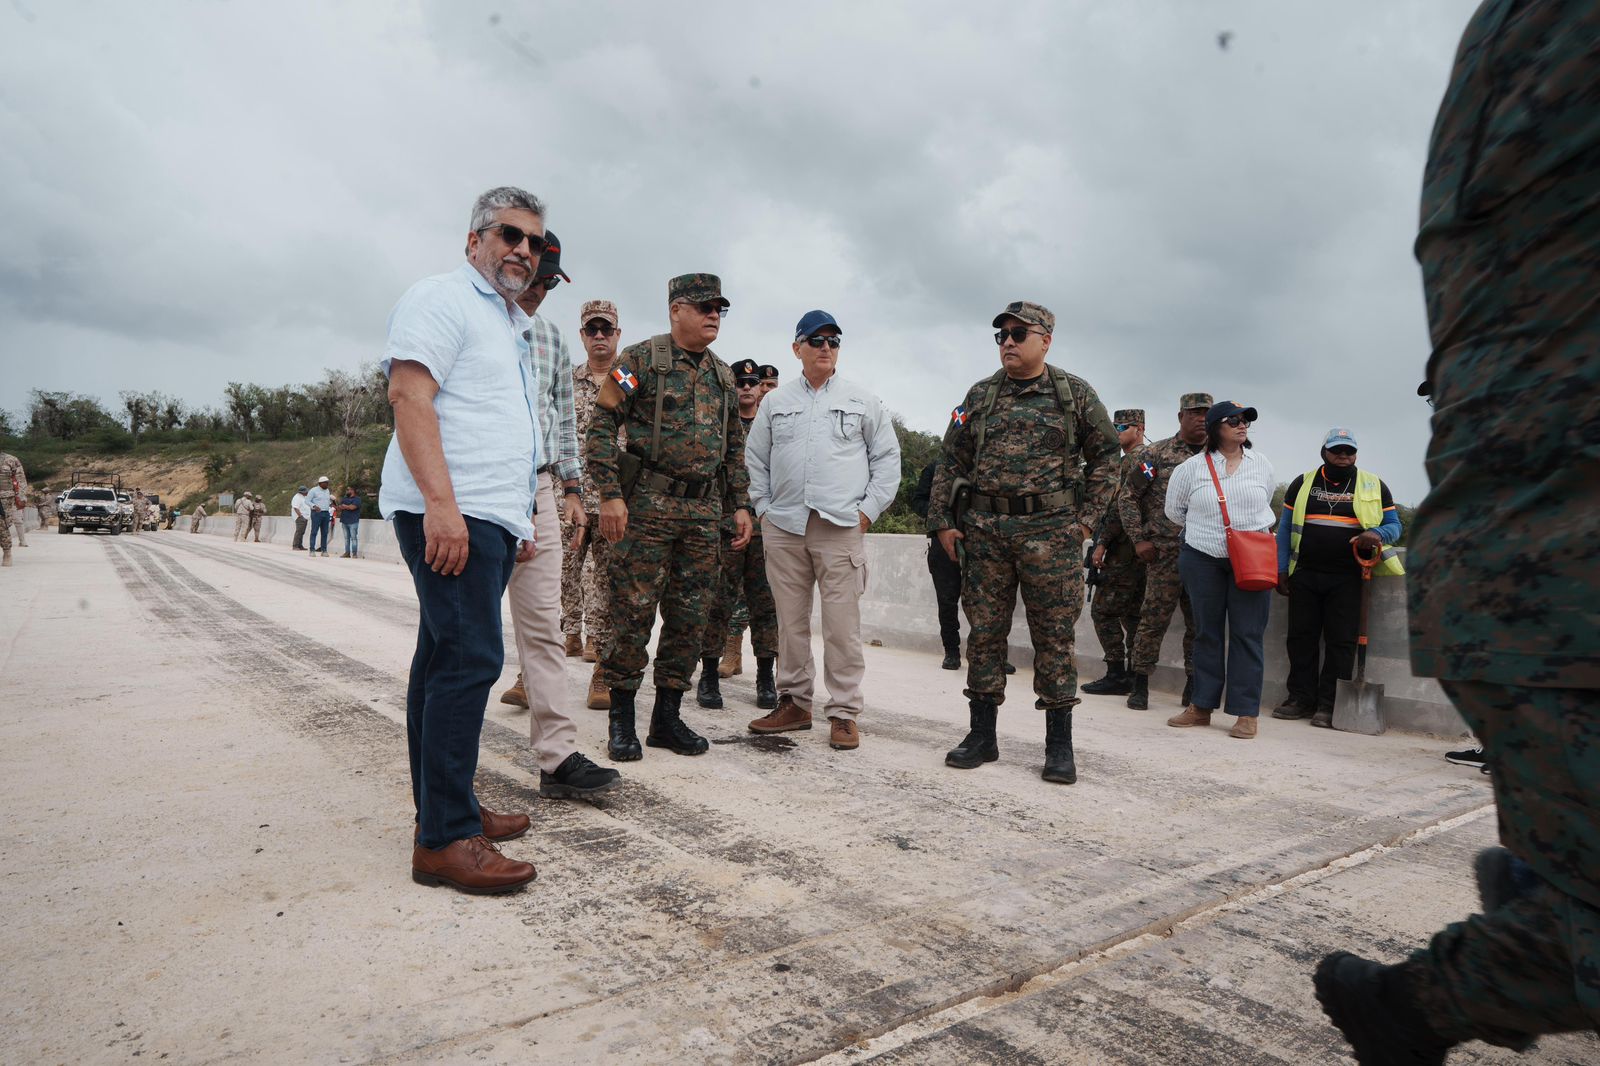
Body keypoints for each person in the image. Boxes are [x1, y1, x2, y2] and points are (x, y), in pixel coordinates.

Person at [1314, 4, 1600, 1058]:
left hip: (1509, 568)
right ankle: (1510, 925)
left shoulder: (1504, 36)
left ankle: (1524, 909)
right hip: (1553, 573)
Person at [377, 184, 547, 895]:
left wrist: (521, 520)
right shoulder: (442, 298)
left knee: (443, 656)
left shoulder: (507, 323)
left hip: (488, 514)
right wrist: (442, 508)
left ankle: (445, 809)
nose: (522, 251)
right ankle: (445, 840)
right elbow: (409, 397)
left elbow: (502, 428)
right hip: (452, 513)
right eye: (509, 235)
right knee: (470, 658)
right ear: (474, 240)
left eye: (534, 242)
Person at [926, 301, 1117, 782]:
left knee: (1054, 637)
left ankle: (1058, 746)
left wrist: (1086, 522)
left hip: (1050, 535)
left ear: (1045, 339)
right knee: (984, 632)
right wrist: (944, 523)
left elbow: (1108, 459)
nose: (1007, 342)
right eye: (1001, 335)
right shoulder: (981, 394)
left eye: (1018, 333)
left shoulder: (1073, 394)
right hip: (986, 534)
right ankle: (982, 736)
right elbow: (951, 460)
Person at [586, 273, 752, 761]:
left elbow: (733, 451)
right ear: (675, 309)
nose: (713, 315)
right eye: (703, 307)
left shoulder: (723, 375)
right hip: (647, 509)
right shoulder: (639, 361)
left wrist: (739, 504)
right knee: (632, 613)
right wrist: (610, 494)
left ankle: (667, 719)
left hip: (703, 513)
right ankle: (621, 721)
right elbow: (602, 425)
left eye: (719, 308)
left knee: (690, 618)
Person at [496, 232, 619, 800]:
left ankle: (558, 755)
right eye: (536, 279)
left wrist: (570, 488)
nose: (540, 291)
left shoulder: (549, 340)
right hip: (484, 489)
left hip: (551, 489)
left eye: (549, 283)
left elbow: (563, 427)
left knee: (553, 622)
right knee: (468, 635)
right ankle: (446, 766)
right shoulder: (469, 322)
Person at [744, 311, 899, 750]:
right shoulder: (775, 403)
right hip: (785, 527)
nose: (825, 347)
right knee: (789, 623)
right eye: (816, 340)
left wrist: (866, 513)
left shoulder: (863, 400)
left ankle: (845, 712)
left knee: (841, 626)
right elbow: (756, 459)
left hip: (840, 527)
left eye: (833, 340)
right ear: (798, 348)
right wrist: (763, 510)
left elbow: (887, 462)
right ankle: (793, 702)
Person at [1271, 428, 1404, 728]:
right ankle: (1300, 699)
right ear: (1324, 453)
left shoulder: (1373, 484)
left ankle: (1329, 705)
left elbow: (1395, 526)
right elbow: (1284, 530)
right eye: (1337, 451)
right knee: (1300, 639)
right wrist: (1280, 570)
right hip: (1304, 573)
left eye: (1349, 451)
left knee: (1341, 642)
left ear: (1356, 454)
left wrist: (1377, 533)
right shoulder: (1303, 483)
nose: (1343, 457)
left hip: (1349, 577)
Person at [1164, 401, 1275, 739]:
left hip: (1252, 558)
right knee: (1206, 632)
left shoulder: (1262, 465)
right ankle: (1201, 706)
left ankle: (1246, 713)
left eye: (1246, 421)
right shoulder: (1190, 468)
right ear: (1214, 428)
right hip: (1202, 557)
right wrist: (1210, 533)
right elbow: (1174, 511)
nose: (1242, 426)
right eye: (1234, 421)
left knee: (1247, 634)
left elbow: (1265, 501)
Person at [1117, 394, 1211, 710]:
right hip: (1164, 554)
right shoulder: (1156, 454)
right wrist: (1139, 539)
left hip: (1205, 554)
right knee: (1152, 620)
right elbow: (1128, 497)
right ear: (1180, 416)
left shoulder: (1220, 456)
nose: (1201, 419)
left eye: (1206, 414)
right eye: (1194, 413)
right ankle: (1140, 684)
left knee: (1200, 624)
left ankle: (1194, 687)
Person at [696, 357, 780, 711]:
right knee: (717, 604)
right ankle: (709, 675)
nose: (747, 387)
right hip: (724, 526)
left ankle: (765, 677)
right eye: (740, 382)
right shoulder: (719, 423)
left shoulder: (773, 426)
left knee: (766, 607)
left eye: (753, 382)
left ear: (761, 387)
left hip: (765, 529)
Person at [552, 298, 622, 711]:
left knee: (605, 581)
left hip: (612, 499)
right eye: (592, 330)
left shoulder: (629, 380)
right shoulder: (567, 379)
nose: (599, 336)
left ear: (617, 334)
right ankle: (566, 636)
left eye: (606, 330)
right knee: (561, 573)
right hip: (569, 497)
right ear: (582, 335)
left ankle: (600, 665)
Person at [1081, 408, 1148, 696]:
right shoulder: (1149, 459)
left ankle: (1117, 672)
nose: (1117, 430)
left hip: (1123, 550)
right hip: (1142, 550)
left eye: (1123, 425)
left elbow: (1120, 508)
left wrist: (1102, 542)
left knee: (1103, 611)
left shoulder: (1133, 462)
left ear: (1139, 428)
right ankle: (1134, 674)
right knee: (1133, 614)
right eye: (1114, 425)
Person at [911, 457, 963, 670]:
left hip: (981, 540)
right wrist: (942, 519)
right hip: (942, 542)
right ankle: (952, 651)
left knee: (990, 601)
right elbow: (918, 500)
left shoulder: (984, 464)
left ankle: (995, 655)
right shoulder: (935, 467)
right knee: (947, 600)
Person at [0, 451, 29, 567]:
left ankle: (7, 552)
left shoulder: (10, 459)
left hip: (4, 498)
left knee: (2, 525)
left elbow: (21, 479)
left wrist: (21, 497)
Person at [306, 477, 334, 556]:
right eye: (325, 482)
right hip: (316, 513)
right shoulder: (313, 490)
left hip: (326, 513)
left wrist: (332, 504)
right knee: (314, 532)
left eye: (328, 482)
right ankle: (312, 550)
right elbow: (307, 501)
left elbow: (327, 501)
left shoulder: (327, 491)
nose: (327, 484)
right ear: (320, 483)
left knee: (325, 532)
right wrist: (314, 506)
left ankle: (324, 550)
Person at [337, 486, 362, 558]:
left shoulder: (357, 499)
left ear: (352, 490)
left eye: (348, 490)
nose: (346, 491)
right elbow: (340, 507)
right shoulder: (344, 499)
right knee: (346, 538)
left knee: (353, 538)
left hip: (353, 521)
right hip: (344, 521)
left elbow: (353, 507)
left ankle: (354, 553)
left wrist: (345, 506)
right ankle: (347, 553)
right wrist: (346, 506)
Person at [290, 485, 309, 551]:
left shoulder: (302, 497)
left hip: (304, 517)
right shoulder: (297, 497)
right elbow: (296, 507)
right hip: (300, 517)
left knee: (302, 532)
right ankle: (295, 546)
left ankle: (300, 545)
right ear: (302, 492)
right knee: (299, 531)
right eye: (306, 491)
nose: (307, 492)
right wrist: (300, 516)